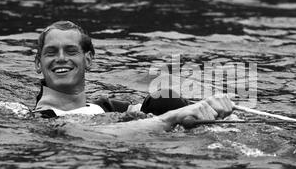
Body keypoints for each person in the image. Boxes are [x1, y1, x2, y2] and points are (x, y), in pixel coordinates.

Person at [33, 21, 233, 131]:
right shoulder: (43, 121)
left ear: (88, 60)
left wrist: (209, 107)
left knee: (162, 99)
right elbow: (103, 136)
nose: (60, 58)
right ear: (38, 64)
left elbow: (156, 108)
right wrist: (172, 118)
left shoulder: (104, 107)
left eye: (70, 51)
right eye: (51, 52)